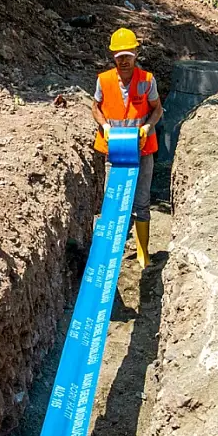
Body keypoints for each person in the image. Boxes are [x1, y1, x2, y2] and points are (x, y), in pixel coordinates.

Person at [91, 27, 163, 269]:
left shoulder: (147, 81)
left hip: (142, 151)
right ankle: (113, 251)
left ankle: (143, 252)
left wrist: (147, 128)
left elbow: (157, 109)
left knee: (141, 202)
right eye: (119, 56)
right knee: (113, 203)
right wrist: (105, 127)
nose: (124, 60)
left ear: (136, 53)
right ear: (113, 55)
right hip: (115, 152)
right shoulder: (104, 80)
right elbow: (96, 108)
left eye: (128, 55)